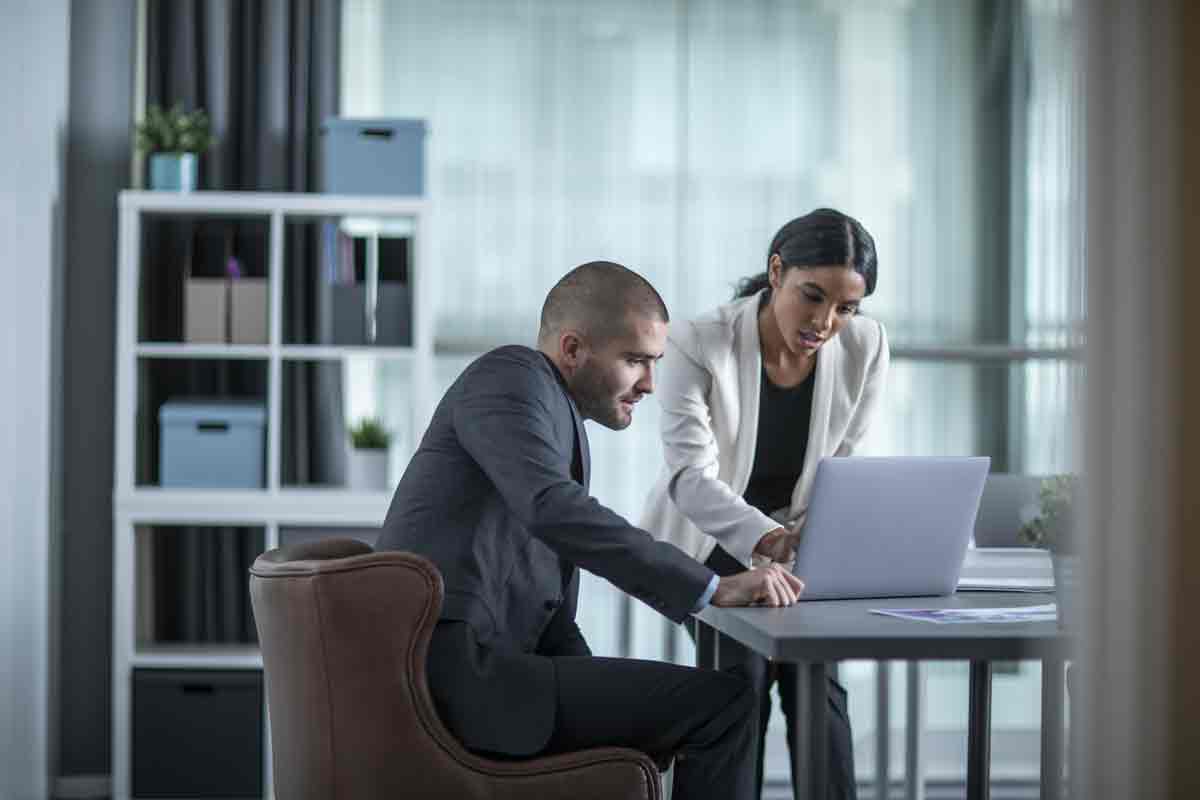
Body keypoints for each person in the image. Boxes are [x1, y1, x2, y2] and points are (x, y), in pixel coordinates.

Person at [376, 261, 807, 800]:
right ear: (573, 349)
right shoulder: (509, 377)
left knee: (698, 702)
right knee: (727, 705)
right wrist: (711, 588)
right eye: (635, 361)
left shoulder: (556, 419)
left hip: (499, 671)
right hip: (461, 677)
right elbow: (552, 508)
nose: (650, 384)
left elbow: (549, 616)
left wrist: (627, 704)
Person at [640, 209, 890, 800]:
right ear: (776, 272)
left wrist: (807, 541)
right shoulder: (697, 342)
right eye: (813, 296)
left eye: (846, 307)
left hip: (802, 547)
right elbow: (688, 477)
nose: (826, 321)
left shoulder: (866, 345)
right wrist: (765, 540)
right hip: (714, 540)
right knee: (736, 684)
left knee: (817, 682)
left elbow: (843, 464)